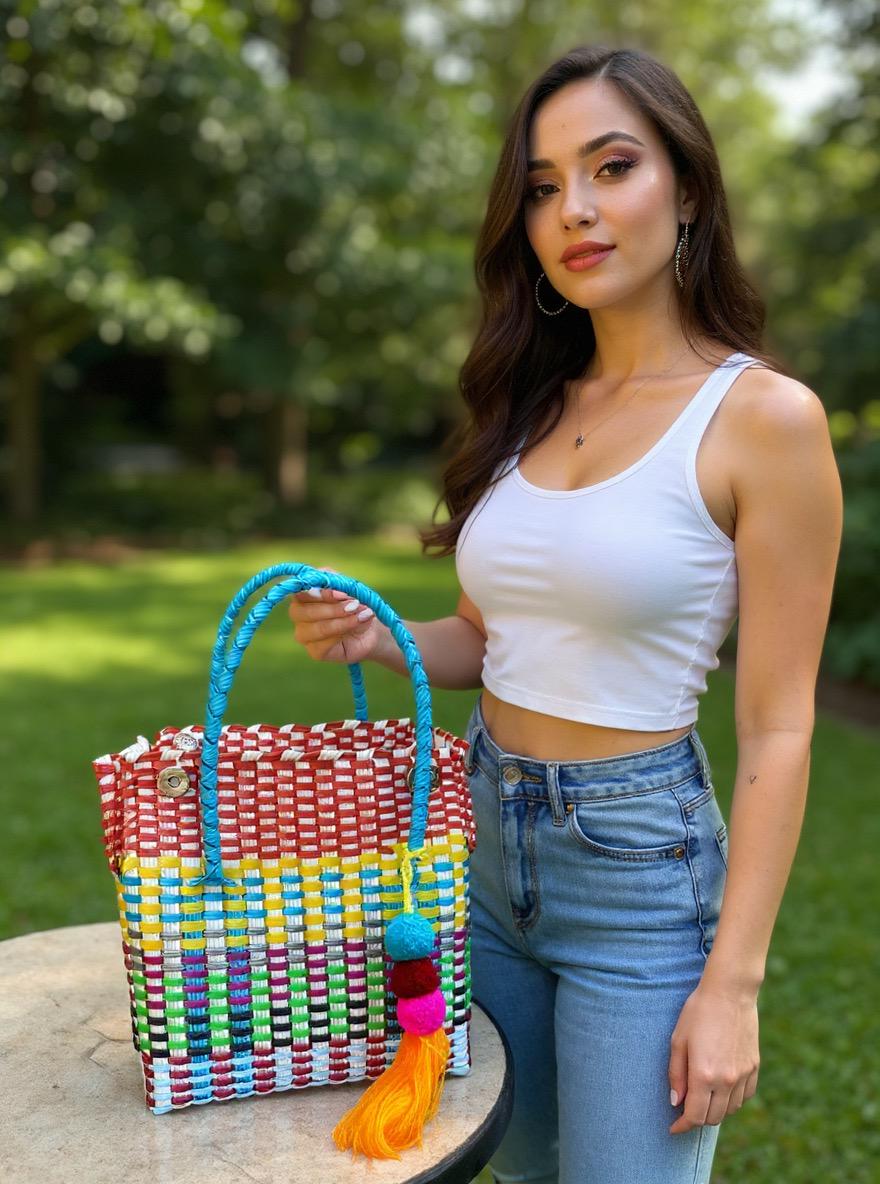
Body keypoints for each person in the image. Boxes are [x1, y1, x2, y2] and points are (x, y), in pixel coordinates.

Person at [287, 44, 842, 1184]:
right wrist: (381, 633)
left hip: (638, 878)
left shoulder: (764, 421)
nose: (573, 209)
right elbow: (490, 643)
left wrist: (730, 983)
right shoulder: (528, 403)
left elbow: (780, 727)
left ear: (686, 189)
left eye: (612, 166)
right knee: (522, 1172)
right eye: (541, 186)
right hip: (482, 857)